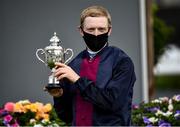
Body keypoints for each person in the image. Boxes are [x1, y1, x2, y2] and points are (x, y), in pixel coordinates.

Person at [47, 5, 136, 126]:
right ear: (81, 31)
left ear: (109, 30)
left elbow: (113, 102)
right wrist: (59, 96)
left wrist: (77, 80)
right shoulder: (73, 65)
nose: (96, 34)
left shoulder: (122, 62)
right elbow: (66, 116)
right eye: (90, 29)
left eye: (101, 29)